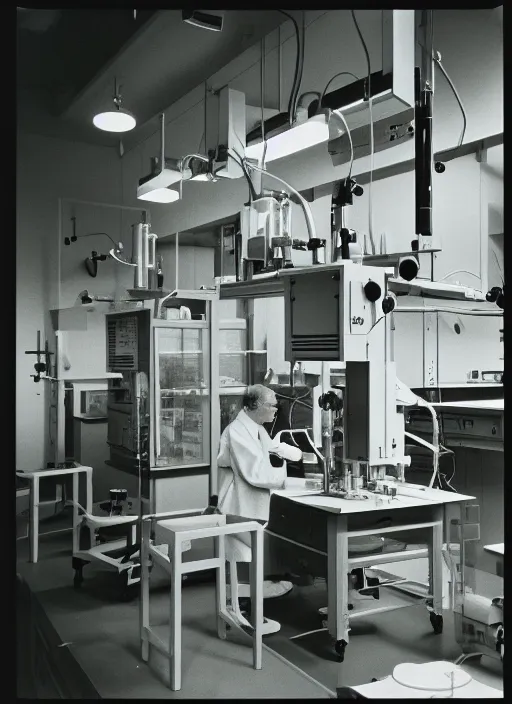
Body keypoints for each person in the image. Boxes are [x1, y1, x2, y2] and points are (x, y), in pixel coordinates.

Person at [217, 384, 302, 525]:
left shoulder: (257, 428)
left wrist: (294, 453)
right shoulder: (237, 431)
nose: (276, 410)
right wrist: (293, 482)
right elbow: (256, 473)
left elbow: (272, 448)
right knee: (246, 546)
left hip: (253, 508)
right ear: (256, 405)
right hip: (239, 509)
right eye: (272, 405)